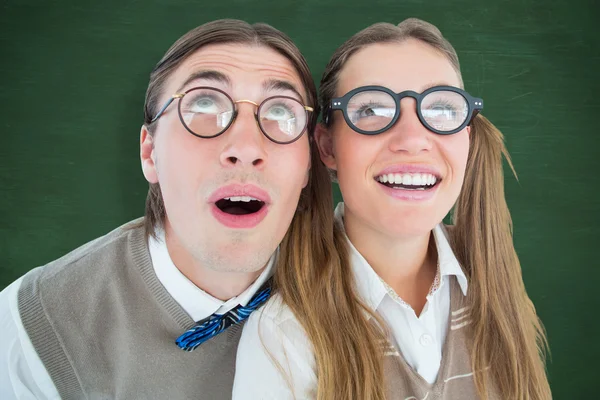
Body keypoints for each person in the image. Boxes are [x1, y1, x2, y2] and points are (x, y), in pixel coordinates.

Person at [0, 19, 324, 399]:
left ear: (307, 165)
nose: (247, 148)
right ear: (150, 152)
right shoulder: (35, 326)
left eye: (282, 113)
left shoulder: (365, 294)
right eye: (204, 104)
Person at [233, 18, 552, 400]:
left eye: (442, 110)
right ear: (327, 148)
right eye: (371, 109)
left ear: (466, 137)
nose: (413, 139)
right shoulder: (283, 335)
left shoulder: (494, 278)